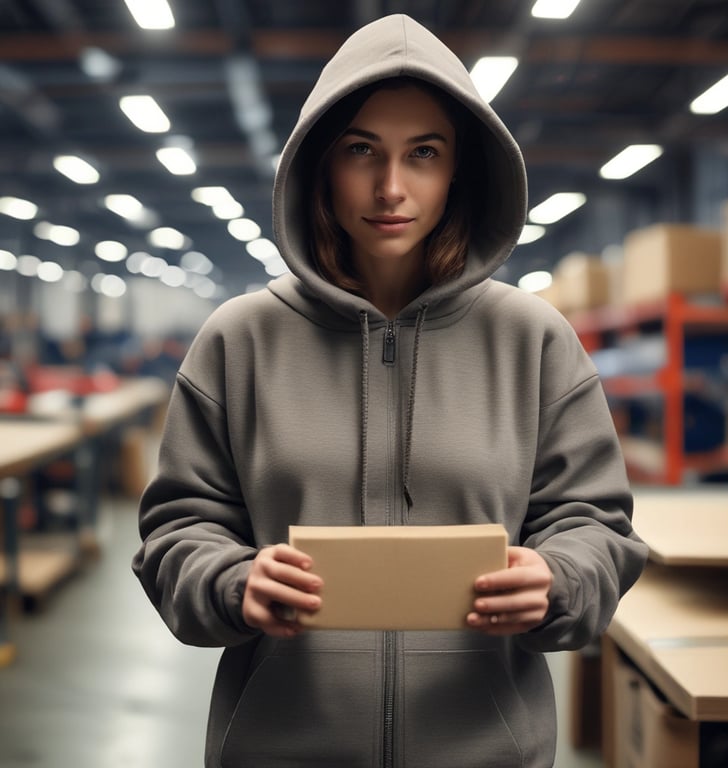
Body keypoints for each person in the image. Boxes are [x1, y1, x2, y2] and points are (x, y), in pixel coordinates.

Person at [132, 14, 648, 768]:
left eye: (424, 154)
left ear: (459, 172)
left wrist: (561, 577)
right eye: (361, 151)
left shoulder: (533, 341)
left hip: (487, 752)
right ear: (320, 164)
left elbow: (597, 524)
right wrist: (229, 579)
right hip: (280, 751)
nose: (391, 187)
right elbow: (177, 530)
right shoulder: (239, 340)